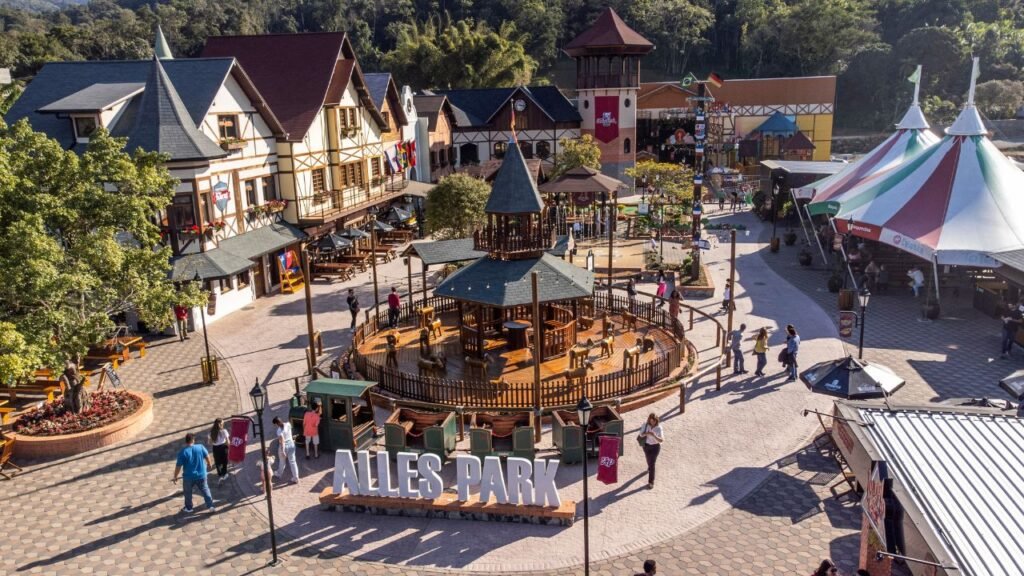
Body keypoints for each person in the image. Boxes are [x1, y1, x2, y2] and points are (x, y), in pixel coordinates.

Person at [172, 433, 214, 513]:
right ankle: (210, 506)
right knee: (205, 489)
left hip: (188, 477)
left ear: (186, 441)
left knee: (187, 492)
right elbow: (207, 456)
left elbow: (178, 466)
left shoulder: (183, 452)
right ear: (193, 440)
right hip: (202, 474)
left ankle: (189, 508)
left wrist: (175, 476)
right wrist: (209, 464)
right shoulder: (200, 447)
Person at [638, 413, 664, 489]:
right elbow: (641, 435)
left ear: (656, 421)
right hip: (646, 446)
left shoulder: (659, 428)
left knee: (652, 464)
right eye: (651, 421)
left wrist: (654, 435)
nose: (652, 423)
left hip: (655, 447)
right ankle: (649, 467)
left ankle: (651, 482)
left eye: (654, 421)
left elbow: (661, 440)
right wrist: (647, 433)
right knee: (648, 460)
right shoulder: (645, 425)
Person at [272, 416, 300, 484]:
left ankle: (279, 473)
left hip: (284, 447)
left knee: (282, 461)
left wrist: (283, 450)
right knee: (293, 462)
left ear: (276, 424)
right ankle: (296, 478)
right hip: (291, 444)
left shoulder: (279, 431)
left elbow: (282, 441)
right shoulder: (288, 424)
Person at [209, 418, 230, 484]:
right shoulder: (224, 431)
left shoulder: (211, 432)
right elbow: (228, 442)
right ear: (221, 424)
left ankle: (220, 474)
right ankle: (224, 473)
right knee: (225, 461)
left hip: (215, 448)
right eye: (223, 423)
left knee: (217, 462)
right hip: (223, 447)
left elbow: (210, 442)